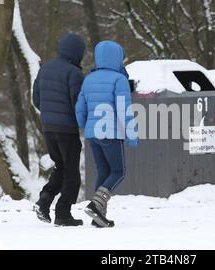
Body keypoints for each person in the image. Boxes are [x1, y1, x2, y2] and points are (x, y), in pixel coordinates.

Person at [76, 41, 138, 228]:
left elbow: (80, 109)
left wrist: (86, 126)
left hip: (92, 134)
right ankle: (95, 205)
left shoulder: (89, 79)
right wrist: (131, 134)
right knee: (119, 171)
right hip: (110, 133)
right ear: (117, 58)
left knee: (104, 172)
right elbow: (124, 109)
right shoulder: (119, 80)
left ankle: (98, 217)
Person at [32, 33, 85, 227]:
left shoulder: (45, 68)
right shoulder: (74, 73)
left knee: (60, 166)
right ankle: (63, 213)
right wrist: (81, 122)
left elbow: (35, 98)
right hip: (67, 130)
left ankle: (44, 200)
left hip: (48, 127)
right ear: (77, 53)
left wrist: (48, 114)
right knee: (71, 172)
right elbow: (77, 103)